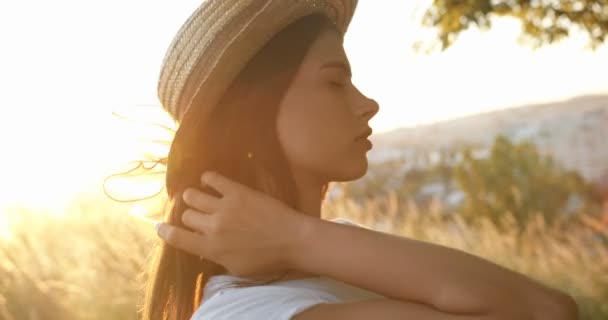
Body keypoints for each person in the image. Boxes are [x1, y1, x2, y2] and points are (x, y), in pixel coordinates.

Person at [142, 1, 579, 319]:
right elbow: (542, 310)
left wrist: (298, 239)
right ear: (255, 107)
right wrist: (296, 238)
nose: (368, 104)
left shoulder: (332, 251)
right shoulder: (247, 312)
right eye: (335, 83)